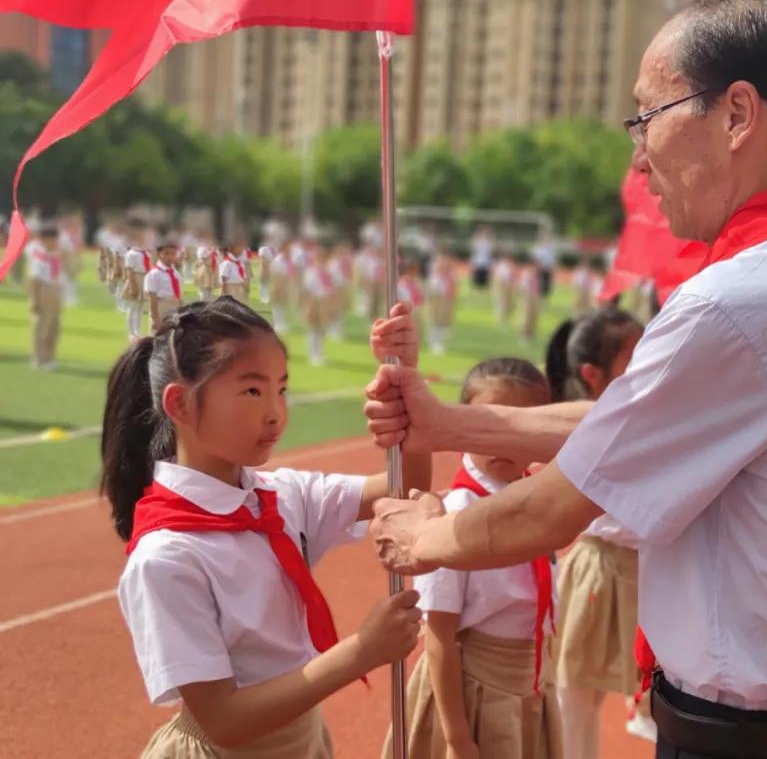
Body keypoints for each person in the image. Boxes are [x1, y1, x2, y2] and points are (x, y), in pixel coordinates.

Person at [365, 0, 767, 759]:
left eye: (647, 117)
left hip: (750, 742)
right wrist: (454, 423)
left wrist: (429, 533)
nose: (638, 159)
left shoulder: (744, 301)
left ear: (736, 114)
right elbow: (631, 419)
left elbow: (545, 513)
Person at [103, 297, 429, 757]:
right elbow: (224, 720)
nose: (276, 412)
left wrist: (407, 384)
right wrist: (362, 651)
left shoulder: (280, 497)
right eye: (253, 392)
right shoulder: (168, 555)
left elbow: (405, 485)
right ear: (179, 403)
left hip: (300, 740)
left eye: (282, 389)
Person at [382, 358, 562, 759]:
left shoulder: (537, 498)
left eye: (517, 425)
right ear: (463, 425)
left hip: (528, 686)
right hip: (475, 695)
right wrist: (457, 738)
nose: (501, 441)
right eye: (488, 423)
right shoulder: (454, 514)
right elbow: (440, 637)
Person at [544, 309, 652, 756]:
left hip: (653, 570)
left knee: (665, 695)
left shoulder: (655, 411)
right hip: (600, 569)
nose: (651, 360)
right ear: (593, 374)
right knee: (576, 698)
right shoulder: (585, 424)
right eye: (636, 355)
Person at [26, 224, 64, 371]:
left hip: (55, 290)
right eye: (52, 238)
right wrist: (35, 300)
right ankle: (39, 358)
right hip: (43, 290)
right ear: (44, 239)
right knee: (42, 325)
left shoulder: (54, 253)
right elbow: (34, 279)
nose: (55, 241)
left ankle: (50, 356)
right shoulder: (39, 254)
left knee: (54, 326)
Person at [301, 245, 335, 367]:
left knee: (322, 329)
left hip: (324, 301)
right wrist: (309, 304)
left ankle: (319, 352)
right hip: (314, 301)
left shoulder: (327, 272)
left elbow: (330, 288)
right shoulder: (311, 271)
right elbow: (308, 289)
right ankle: (313, 354)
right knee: (313, 328)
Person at [144, 239, 184, 334]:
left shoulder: (176, 273)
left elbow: (179, 293)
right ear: (158, 255)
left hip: (175, 306)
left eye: (173, 254)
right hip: (161, 307)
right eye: (166, 254)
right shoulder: (154, 274)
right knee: (158, 337)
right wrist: (155, 319)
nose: (170, 257)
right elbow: (152, 298)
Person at [123, 221, 153, 342]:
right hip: (135, 278)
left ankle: (137, 331)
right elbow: (129, 271)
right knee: (133, 306)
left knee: (140, 308)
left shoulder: (145, 253)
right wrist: (132, 286)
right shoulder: (132, 253)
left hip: (144, 278)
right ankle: (131, 331)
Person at [426, 251, 457, 355]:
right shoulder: (436, 275)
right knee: (436, 320)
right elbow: (431, 288)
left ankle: (438, 341)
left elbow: (453, 285)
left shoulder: (449, 274)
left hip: (445, 298)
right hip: (437, 297)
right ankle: (435, 342)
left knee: (443, 321)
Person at [518, 256, 542, 344]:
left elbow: (538, 288)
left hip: (535, 296)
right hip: (528, 296)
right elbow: (523, 286)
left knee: (534, 316)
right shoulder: (527, 273)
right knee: (526, 317)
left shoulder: (536, 275)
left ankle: (531, 334)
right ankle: (524, 335)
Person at [493, 250, 516, 328]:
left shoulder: (510, 265)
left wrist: (511, 285)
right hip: (503, 285)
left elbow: (512, 276)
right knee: (503, 303)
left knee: (509, 304)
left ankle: (504, 318)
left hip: (508, 285)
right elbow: (499, 278)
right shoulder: (502, 266)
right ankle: (502, 320)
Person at [532, 231, 557, 299]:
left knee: (548, 285)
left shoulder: (551, 249)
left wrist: (552, 268)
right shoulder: (538, 249)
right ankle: (538, 297)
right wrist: (538, 268)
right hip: (540, 269)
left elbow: (552, 260)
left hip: (548, 269)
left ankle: (545, 298)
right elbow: (536, 260)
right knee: (540, 284)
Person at [194, 236, 219, 303]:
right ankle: (202, 305)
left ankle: (207, 305)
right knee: (204, 291)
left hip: (212, 269)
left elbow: (218, 258)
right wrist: (211, 252)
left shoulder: (213, 248)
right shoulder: (202, 247)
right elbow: (202, 257)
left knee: (210, 290)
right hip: (204, 269)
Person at [470, 226, 494, 291]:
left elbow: (490, 252)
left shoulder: (489, 242)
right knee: (477, 278)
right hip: (478, 262)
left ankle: (484, 287)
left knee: (485, 279)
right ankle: (476, 286)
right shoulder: (477, 241)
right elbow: (474, 249)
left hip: (485, 262)